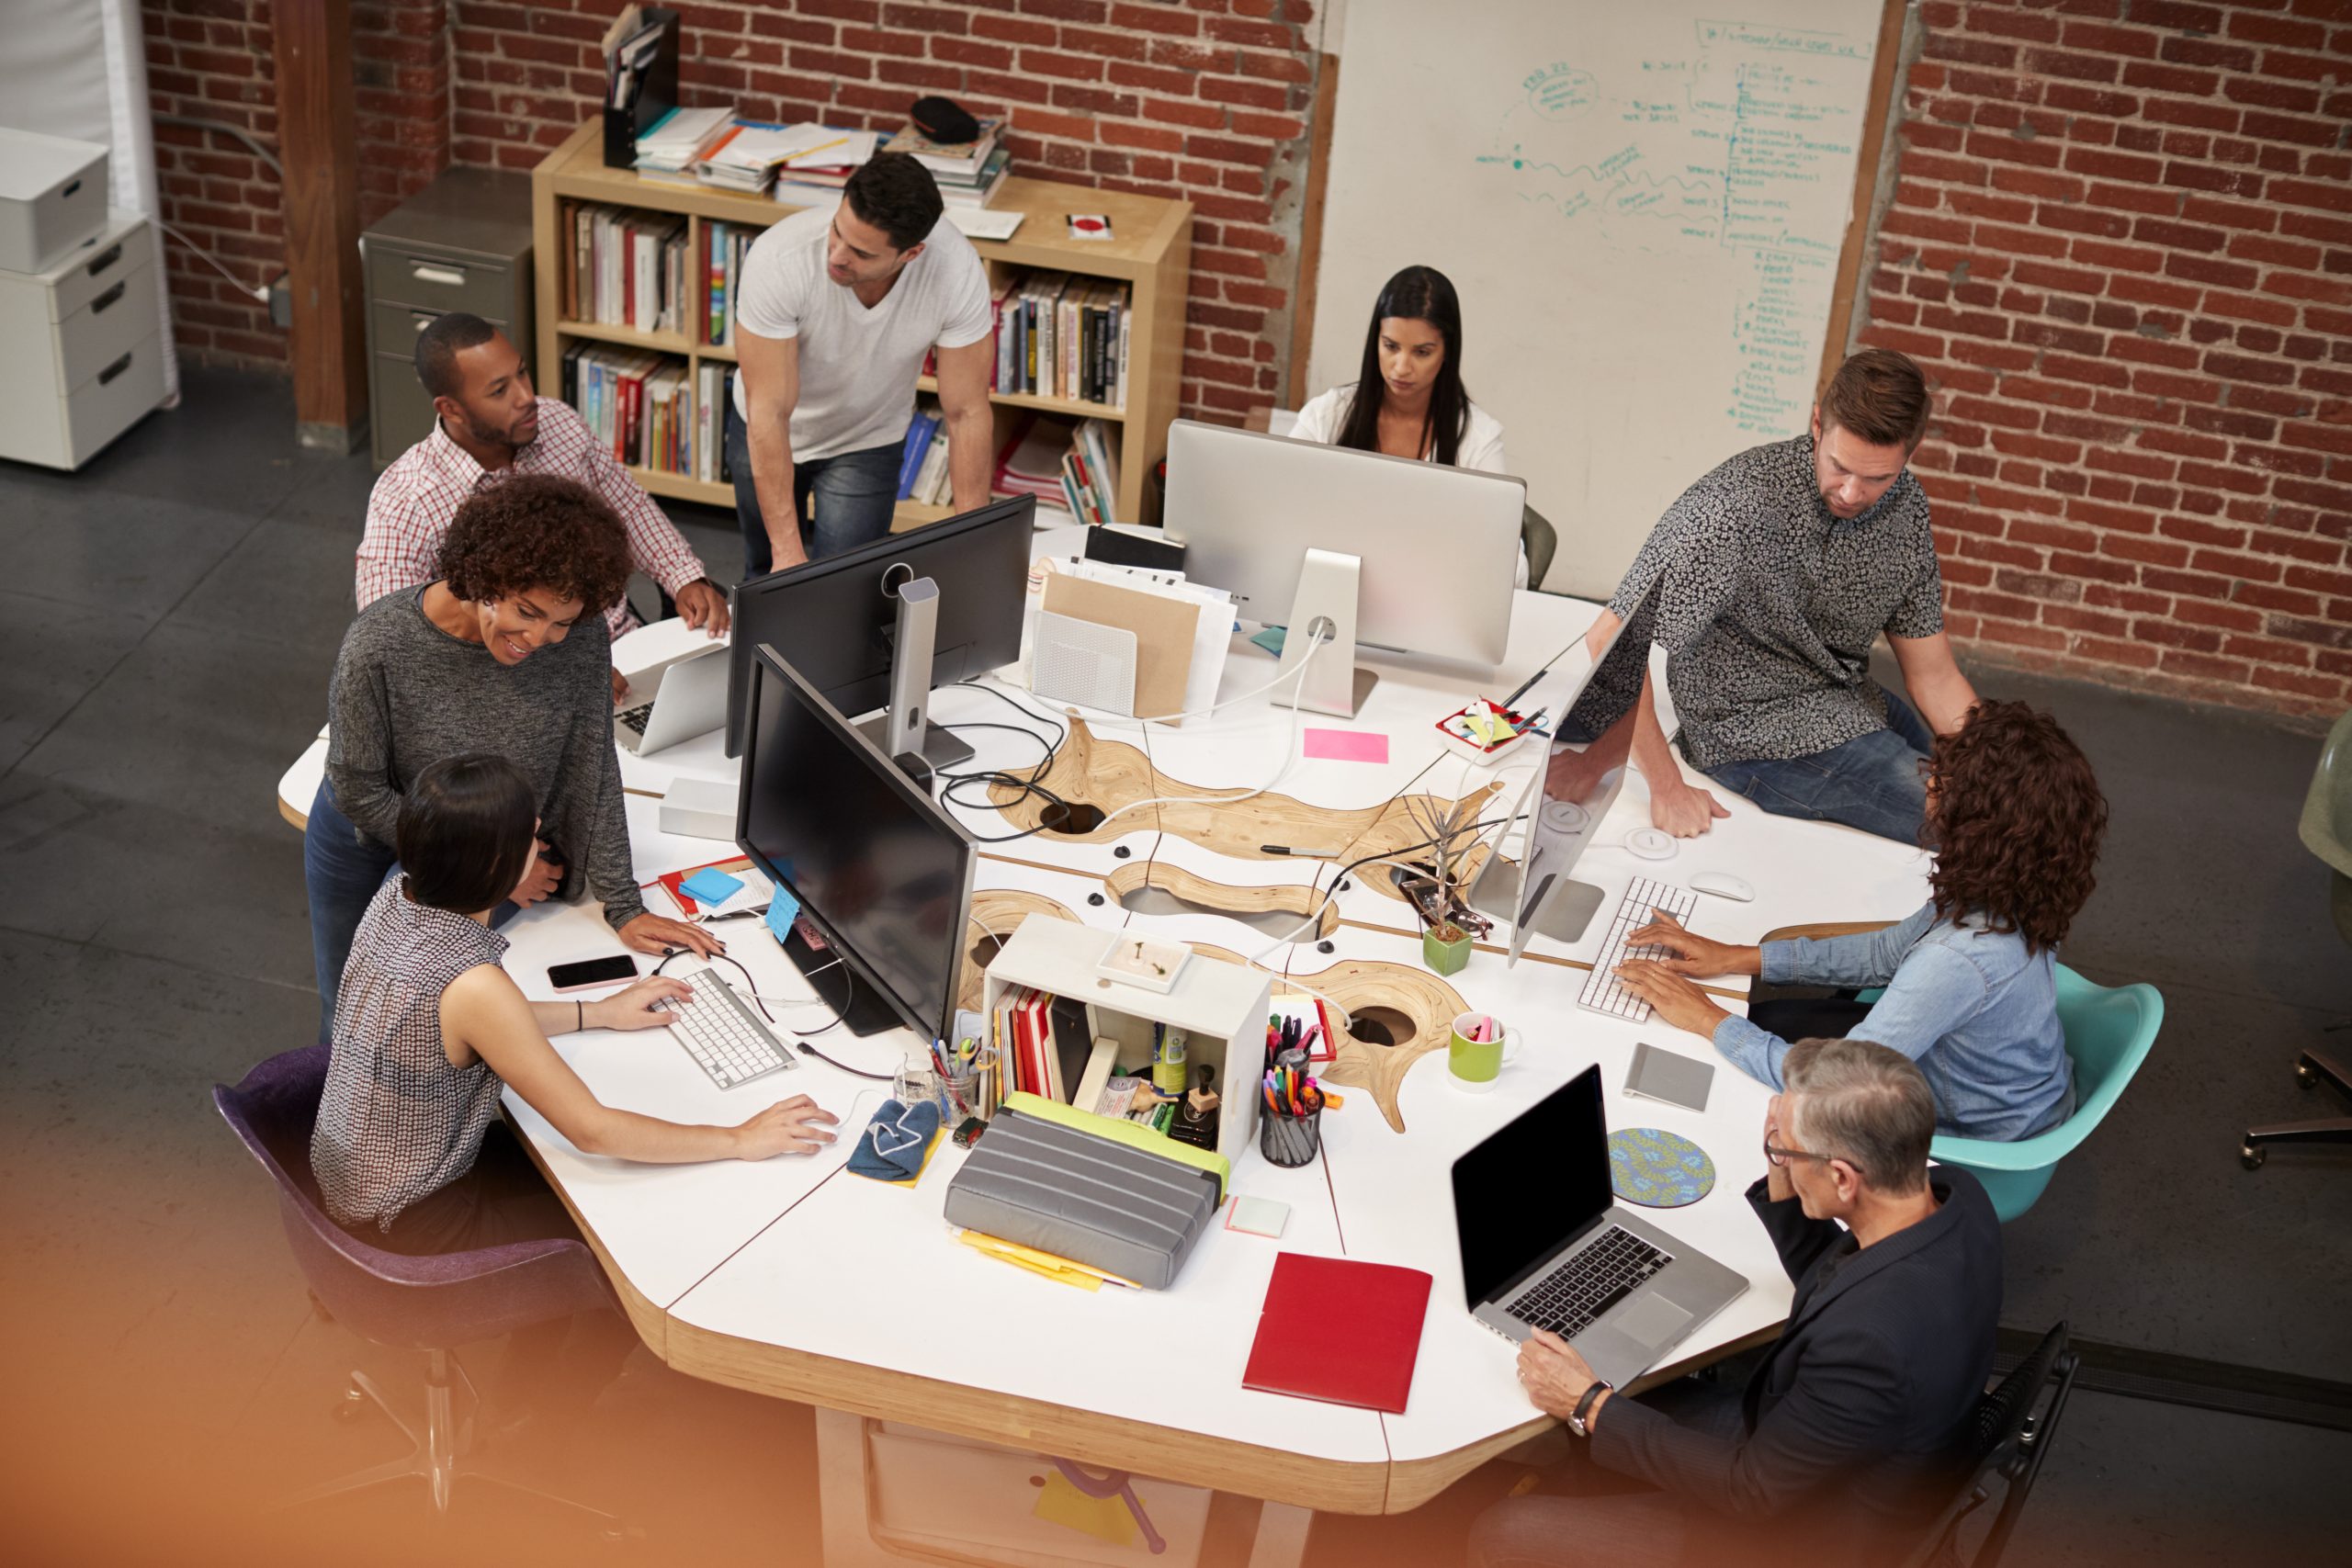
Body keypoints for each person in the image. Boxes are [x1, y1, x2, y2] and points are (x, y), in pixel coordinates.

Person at [312, 754, 839, 1416]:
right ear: (498, 866)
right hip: (410, 1221)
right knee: (627, 1265)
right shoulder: (473, 984)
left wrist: (600, 1011)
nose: (541, 845)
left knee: (587, 1190)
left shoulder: (398, 898)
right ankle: (531, 1431)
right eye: (532, 837)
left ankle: (527, 1395)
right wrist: (738, 1135)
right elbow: (592, 1129)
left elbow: (477, 1024)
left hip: (354, 1179)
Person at [1468, 1038, 2002, 1568]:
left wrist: (1586, 1404)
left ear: (1842, 1176)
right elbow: (1841, 1279)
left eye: (1785, 1151)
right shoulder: (1957, 1197)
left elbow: (1750, 1490)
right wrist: (1788, 1171)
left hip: (1797, 1534)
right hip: (1832, 1450)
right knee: (1623, 1394)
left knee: (1502, 1531)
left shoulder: (1869, 1344)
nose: (1779, 1157)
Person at [306, 473, 717, 1043]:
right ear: (484, 575)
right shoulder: (379, 644)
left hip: (481, 847)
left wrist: (624, 905)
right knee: (350, 1012)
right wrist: (493, 873)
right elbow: (358, 788)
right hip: (365, 837)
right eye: (526, 611)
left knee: (434, 1022)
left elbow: (592, 765)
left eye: (561, 620)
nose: (540, 637)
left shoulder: (580, 641)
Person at [1613, 700, 2107, 1138]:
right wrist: (1740, 956)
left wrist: (1704, 1016)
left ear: (1977, 820)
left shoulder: (1959, 957)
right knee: (1767, 1021)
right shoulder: (2013, 886)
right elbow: (1884, 954)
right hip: (1990, 1078)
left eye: (1945, 775)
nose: (1931, 775)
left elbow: (1836, 1082)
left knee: (1741, 1085)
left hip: (1981, 1127)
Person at [1549, 348, 1978, 844]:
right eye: (1840, 467)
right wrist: (1665, 786)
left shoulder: (1906, 509)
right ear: (1817, 423)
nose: (1851, 493)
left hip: (1847, 700)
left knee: (1989, 793)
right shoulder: (1737, 508)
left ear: (1909, 455)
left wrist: (2002, 762)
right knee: (1970, 829)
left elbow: (1935, 674)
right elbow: (1611, 640)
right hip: (1751, 730)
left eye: (1877, 477)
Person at [357, 313, 729, 701]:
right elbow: (391, 642)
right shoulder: (405, 501)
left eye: (522, 374)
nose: (526, 397)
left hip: (623, 646)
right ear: (451, 409)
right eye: (499, 390)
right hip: (518, 685)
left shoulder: (559, 424)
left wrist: (683, 576)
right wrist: (565, 671)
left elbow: (629, 508)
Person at [728, 152, 995, 575]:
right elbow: (769, 411)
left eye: (861, 253)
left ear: (911, 254)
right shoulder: (779, 259)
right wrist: (786, 555)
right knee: (767, 577)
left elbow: (966, 412)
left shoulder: (956, 272)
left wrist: (976, 544)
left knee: (849, 587)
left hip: (868, 439)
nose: (836, 255)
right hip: (769, 426)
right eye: (837, 231)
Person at [1289, 264, 1525, 586]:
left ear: (1447, 353)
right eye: (1391, 346)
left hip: (1429, 600)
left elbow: (1513, 569)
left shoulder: (1477, 439)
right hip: (1328, 593)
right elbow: (1279, 516)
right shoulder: (1325, 416)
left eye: (1422, 352)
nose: (1401, 367)